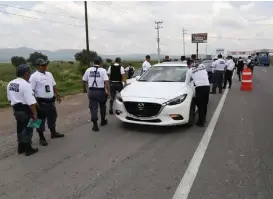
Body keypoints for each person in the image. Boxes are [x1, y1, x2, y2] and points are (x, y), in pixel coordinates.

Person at [29, 58, 64, 146]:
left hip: (50, 101)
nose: (45, 67)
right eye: (43, 65)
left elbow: (53, 85)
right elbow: (31, 91)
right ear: (37, 66)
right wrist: (34, 103)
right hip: (40, 102)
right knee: (40, 120)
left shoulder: (49, 74)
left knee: (53, 116)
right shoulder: (34, 77)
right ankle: (41, 137)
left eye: (45, 65)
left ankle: (53, 132)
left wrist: (57, 95)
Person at [7, 64, 39, 156]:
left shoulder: (11, 83)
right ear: (25, 74)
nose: (29, 75)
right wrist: (35, 113)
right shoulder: (26, 85)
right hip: (26, 110)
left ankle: (20, 148)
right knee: (28, 129)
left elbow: (9, 99)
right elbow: (31, 102)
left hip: (16, 110)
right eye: (29, 73)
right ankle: (28, 149)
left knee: (20, 129)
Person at [82, 57, 110, 132]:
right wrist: (108, 92)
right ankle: (103, 121)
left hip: (91, 91)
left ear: (94, 63)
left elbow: (84, 81)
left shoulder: (88, 70)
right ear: (100, 63)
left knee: (93, 108)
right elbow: (106, 82)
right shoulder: (103, 70)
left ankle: (95, 125)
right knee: (102, 106)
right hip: (101, 91)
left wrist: (84, 89)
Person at [185, 59, 210, 127]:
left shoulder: (189, 71)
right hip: (207, 86)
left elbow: (186, 83)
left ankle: (201, 122)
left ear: (188, 65)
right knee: (204, 104)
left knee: (200, 105)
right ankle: (203, 119)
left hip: (199, 88)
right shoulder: (202, 66)